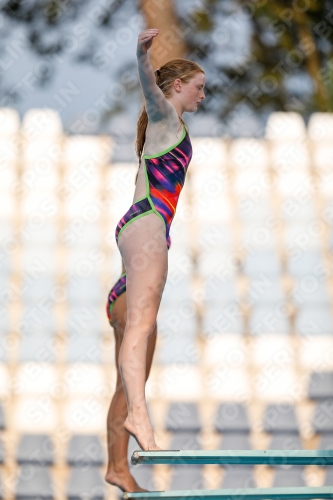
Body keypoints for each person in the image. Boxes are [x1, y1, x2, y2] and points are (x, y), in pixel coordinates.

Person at [105, 26, 205, 492]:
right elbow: (149, 85)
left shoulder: (168, 127)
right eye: (199, 87)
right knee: (142, 329)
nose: (204, 95)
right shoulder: (165, 116)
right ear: (177, 86)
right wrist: (142, 54)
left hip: (136, 247)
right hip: (148, 225)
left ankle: (117, 467)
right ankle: (142, 421)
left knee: (133, 364)